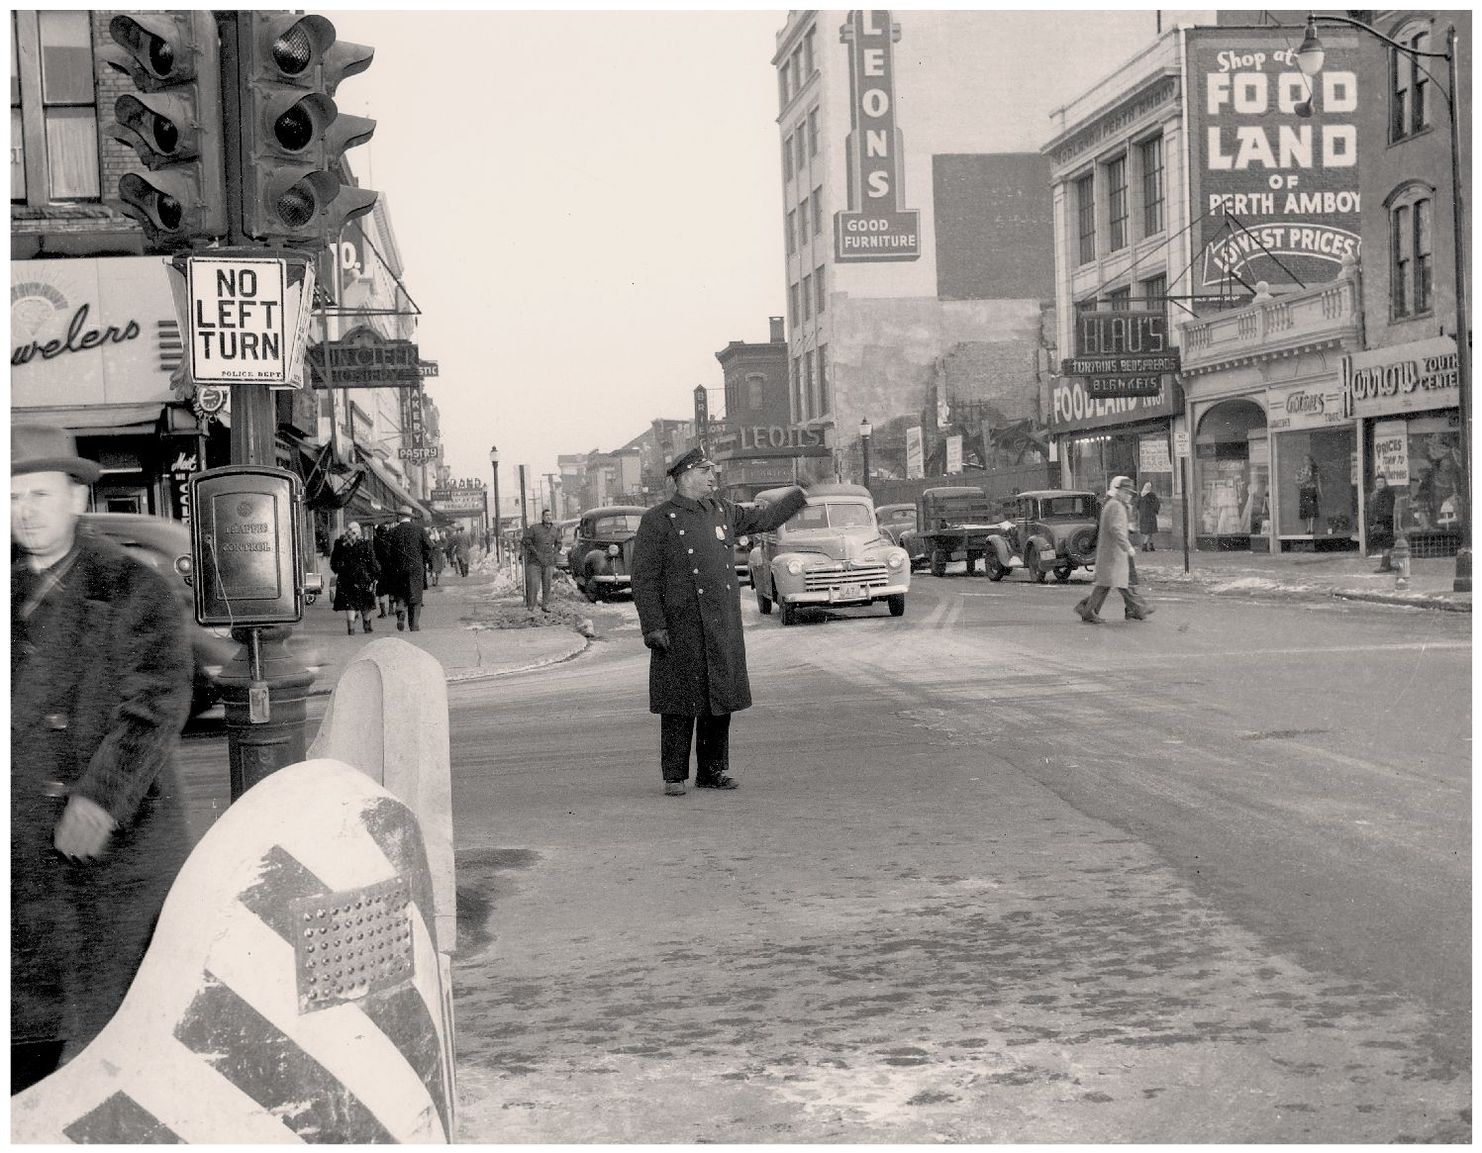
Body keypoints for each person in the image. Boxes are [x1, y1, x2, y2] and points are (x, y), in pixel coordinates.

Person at [10, 425, 194, 1094]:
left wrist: (100, 797)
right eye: (11, 496)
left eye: (38, 493)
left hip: (112, 863)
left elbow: (155, 703)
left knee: (121, 1048)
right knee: (29, 1046)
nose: (24, 510)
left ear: (75, 497)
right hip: (23, 864)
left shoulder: (130, 587)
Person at [632, 447, 829, 796]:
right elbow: (644, 578)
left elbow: (766, 519)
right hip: (681, 625)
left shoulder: (723, 511)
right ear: (686, 475)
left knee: (718, 698)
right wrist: (653, 625)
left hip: (720, 621)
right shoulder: (658, 519)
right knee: (680, 702)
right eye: (706, 471)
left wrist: (801, 492)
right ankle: (674, 774)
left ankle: (712, 771)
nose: (713, 477)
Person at [1075, 476, 1154, 624]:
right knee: (1112, 583)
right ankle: (1089, 611)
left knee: (1110, 583)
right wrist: (1127, 546)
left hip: (1111, 553)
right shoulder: (1116, 506)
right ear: (1120, 491)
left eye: (1130, 493)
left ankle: (1088, 610)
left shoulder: (1115, 504)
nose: (1128, 495)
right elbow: (1116, 529)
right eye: (1126, 492)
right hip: (1113, 553)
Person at [384, 505, 434, 632]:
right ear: (410, 517)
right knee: (415, 597)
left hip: (398, 568)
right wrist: (424, 560)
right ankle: (414, 625)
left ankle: (400, 609)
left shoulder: (392, 532)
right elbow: (429, 547)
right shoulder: (419, 530)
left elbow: (387, 552)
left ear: (399, 517)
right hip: (416, 568)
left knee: (400, 593)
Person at [329, 520, 380, 634]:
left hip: (345, 577)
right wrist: (375, 573)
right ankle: (367, 625)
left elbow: (334, 561)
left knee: (349, 603)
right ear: (359, 532)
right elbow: (372, 562)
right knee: (365, 602)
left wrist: (338, 570)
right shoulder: (365, 544)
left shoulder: (340, 543)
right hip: (363, 577)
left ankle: (351, 627)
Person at [521, 509, 562, 612]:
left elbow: (559, 543)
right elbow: (526, 540)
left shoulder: (554, 530)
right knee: (534, 585)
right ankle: (531, 606)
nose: (549, 517)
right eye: (546, 515)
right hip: (535, 562)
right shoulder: (535, 528)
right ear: (542, 517)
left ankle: (545, 605)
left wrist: (554, 552)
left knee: (547, 585)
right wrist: (534, 550)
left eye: (550, 515)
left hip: (548, 562)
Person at [1367, 475, 1397, 572]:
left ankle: (1384, 565)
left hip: (1385, 521)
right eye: (1378, 482)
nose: (1379, 484)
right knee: (1384, 544)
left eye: (1381, 482)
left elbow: (1388, 509)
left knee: (1386, 544)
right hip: (1378, 522)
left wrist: (1381, 520)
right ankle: (1387, 564)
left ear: (1385, 483)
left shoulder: (1388, 493)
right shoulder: (1374, 494)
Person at [373, 522, 394, 618]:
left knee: (380, 591)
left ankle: (383, 612)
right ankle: (391, 609)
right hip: (390, 568)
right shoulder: (390, 540)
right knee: (391, 589)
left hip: (380, 569)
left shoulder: (376, 541)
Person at [1136, 481, 1160, 551]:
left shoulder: (1140, 495)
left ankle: (1151, 546)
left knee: (1148, 532)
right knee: (1149, 531)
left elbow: (1137, 505)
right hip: (1150, 516)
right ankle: (1144, 545)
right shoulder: (1151, 495)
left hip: (1143, 516)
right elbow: (1156, 504)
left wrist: (1141, 511)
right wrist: (1155, 510)